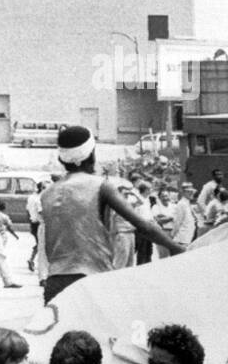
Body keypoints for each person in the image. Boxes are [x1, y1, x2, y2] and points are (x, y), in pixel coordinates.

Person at [40, 126, 183, 303]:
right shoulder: (101, 186)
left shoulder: (47, 193)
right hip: (91, 279)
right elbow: (144, 226)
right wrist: (176, 248)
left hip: (55, 280)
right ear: (91, 154)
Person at [25, 182, 45, 271]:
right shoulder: (40, 199)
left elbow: (27, 210)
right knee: (41, 244)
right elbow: (41, 212)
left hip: (33, 222)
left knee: (39, 243)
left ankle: (32, 259)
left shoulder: (31, 197)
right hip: (39, 223)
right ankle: (32, 259)